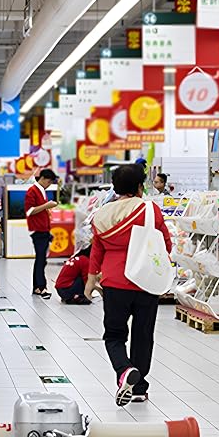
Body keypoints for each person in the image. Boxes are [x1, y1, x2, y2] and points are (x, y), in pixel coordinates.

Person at [86, 164, 172, 407]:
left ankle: (124, 371)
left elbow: (97, 249)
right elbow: (165, 242)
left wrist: (92, 278)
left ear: (115, 188)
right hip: (146, 281)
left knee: (114, 335)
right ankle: (139, 387)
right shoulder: (149, 208)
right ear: (139, 187)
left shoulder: (102, 214)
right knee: (143, 335)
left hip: (114, 282)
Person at [25, 168, 59, 299]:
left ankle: (37, 287)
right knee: (41, 260)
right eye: (49, 182)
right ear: (43, 178)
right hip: (38, 230)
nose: (49, 184)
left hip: (43, 229)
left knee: (41, 259)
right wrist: (46, 206)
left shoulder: (41, 191)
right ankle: (41, 287)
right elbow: (29, 211)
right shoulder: (32, 191)